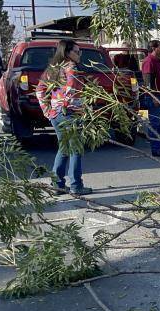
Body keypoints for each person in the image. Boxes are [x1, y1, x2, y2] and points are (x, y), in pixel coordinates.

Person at [35, 39, 92, 196]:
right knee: (75, 149)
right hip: (69, 114)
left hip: (57, 115)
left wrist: (48, 110)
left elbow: (39, 90)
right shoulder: (72, 68)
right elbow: (71, 89)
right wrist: (70, 105)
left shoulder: (52, 69)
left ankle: (57, 185)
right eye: (77, 51)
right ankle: (76, 186)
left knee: (64, 148)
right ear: (67, 53)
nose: (79, 55)